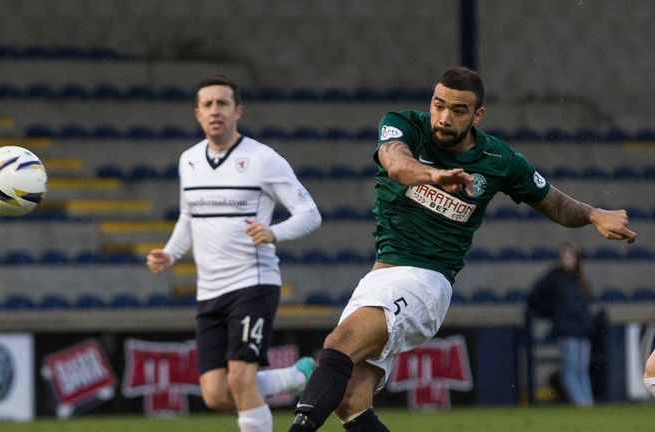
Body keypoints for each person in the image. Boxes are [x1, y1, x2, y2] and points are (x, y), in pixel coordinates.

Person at [287, 66, 637, 432]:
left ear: (477, 115)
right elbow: (394, 162)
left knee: (339, 342)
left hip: (426, 282)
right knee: (350, 401)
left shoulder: (499, 160)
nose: (444, 117)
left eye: (457, 110)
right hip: (380, 278)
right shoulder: (403, 124)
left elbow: (553, 202)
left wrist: (594, 214)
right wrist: (432, 175)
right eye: (439, 105)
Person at [147, 74, 322, 432]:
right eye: (208, 104)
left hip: (253, 283)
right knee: (215, 394)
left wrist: (274, 232)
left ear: (237, 111)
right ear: (197, 114)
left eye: (223, 103)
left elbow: (310, 213)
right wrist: (170, 253)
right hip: (209, 291)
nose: (215, 111)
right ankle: (293, 377)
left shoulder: (263, 159)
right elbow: (188, 215)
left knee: (241, 380)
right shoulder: (189, 160)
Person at [528, 242, 595, 406]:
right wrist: (552, 313)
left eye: (570, 255)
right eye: (564, 256)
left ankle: (587, 402)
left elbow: (585, 303)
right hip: (567, 329)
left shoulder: (580, 279)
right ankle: (581, 403)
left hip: (581, 328)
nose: (567, 259)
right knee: (571, 369)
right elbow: (534, 296)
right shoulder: (554, 277)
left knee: (581, 369)